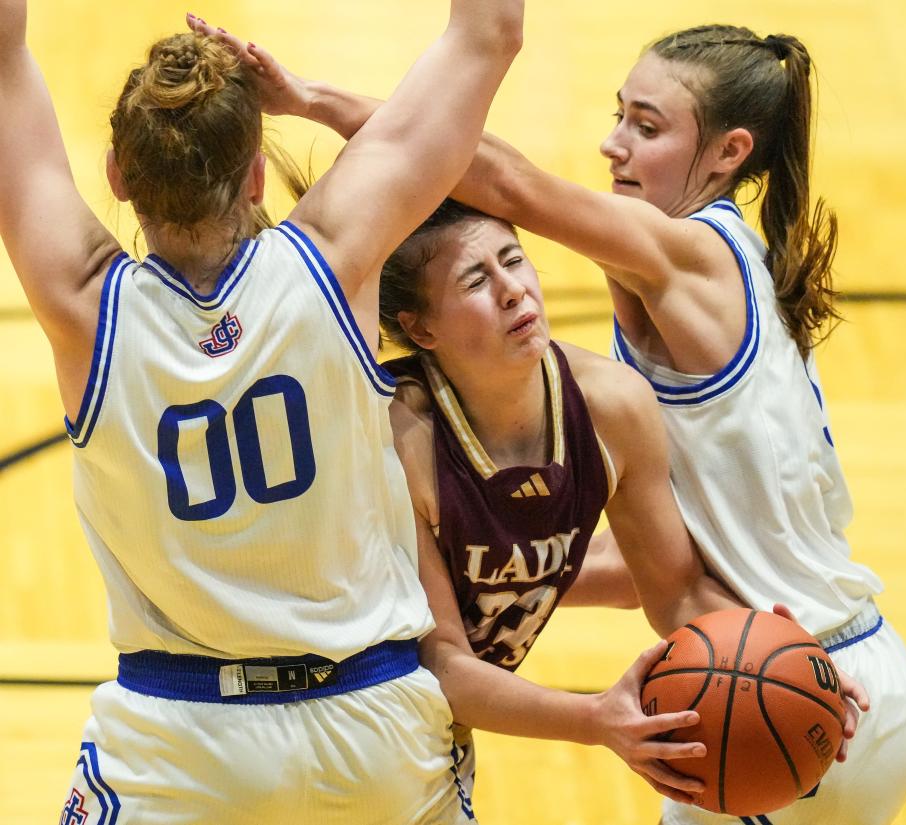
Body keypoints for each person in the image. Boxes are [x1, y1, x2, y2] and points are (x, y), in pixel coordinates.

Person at [186, 20, 906, 825]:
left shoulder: (683, 256)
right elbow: (665, 568)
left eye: (647, 127)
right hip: (845, 669)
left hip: (776, 677)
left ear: (728, 153)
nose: (614, 145)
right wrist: (504, 566)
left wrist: (314, 102)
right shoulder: (720, 261)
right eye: (619, 115)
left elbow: (506, 182)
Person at [0, 2, 523, 823]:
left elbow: (2, 59)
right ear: (254, 176)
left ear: (117, 176)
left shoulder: (83, 305)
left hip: (179, 742)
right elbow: (488, 33)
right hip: (373, 725)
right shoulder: (338, 253)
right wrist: (308, 97)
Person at [380, 198, 743, 807]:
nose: (513, 291)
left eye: (515, 261)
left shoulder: (612, 405)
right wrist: (596, 717)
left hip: (434, 728)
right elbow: (439, 663)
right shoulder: (397, 434)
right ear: (420, 329)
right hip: (344, 703)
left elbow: (672, 590)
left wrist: (799, 657)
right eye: (477, 279)